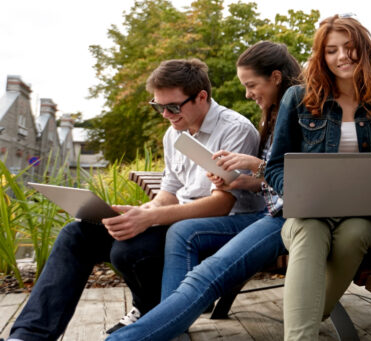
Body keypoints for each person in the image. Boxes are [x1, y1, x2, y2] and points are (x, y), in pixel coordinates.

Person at [5, 58, 261, 341]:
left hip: (215, 229)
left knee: (128, 250)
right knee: (76, 234)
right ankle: (28, 336)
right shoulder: (173, 134)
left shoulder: (235, 129)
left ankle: (150, 311)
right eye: (158, 106)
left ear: (202, 97)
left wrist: (149, 218)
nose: (165, 114)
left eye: (172, 106)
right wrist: (137, 212)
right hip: (176, 222)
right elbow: (167, 196)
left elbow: (222, 205)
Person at [106, 41, 301, 340]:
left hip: (282, 218)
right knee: (176, 245)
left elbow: (297, 181)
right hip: (274, 213)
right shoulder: (271, 114)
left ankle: (150, 329)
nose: (246, 93)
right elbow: (276, 182)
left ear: (275, 77)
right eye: (160, 107)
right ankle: (165, 322)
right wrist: (241, 179)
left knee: (187, 241)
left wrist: (256, 167)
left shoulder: (293, 113)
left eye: (250, 85)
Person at [268, 15, 371, 340]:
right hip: (310, 211)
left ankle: (306, 314)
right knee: (308, 230)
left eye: (349, 48)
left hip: (364, 214)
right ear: (321, 57)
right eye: (331, 50)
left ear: (364, 52)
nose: (342, 57)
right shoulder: (299, 99)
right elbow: (275, 165)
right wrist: (298, 193)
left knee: (354, 235)